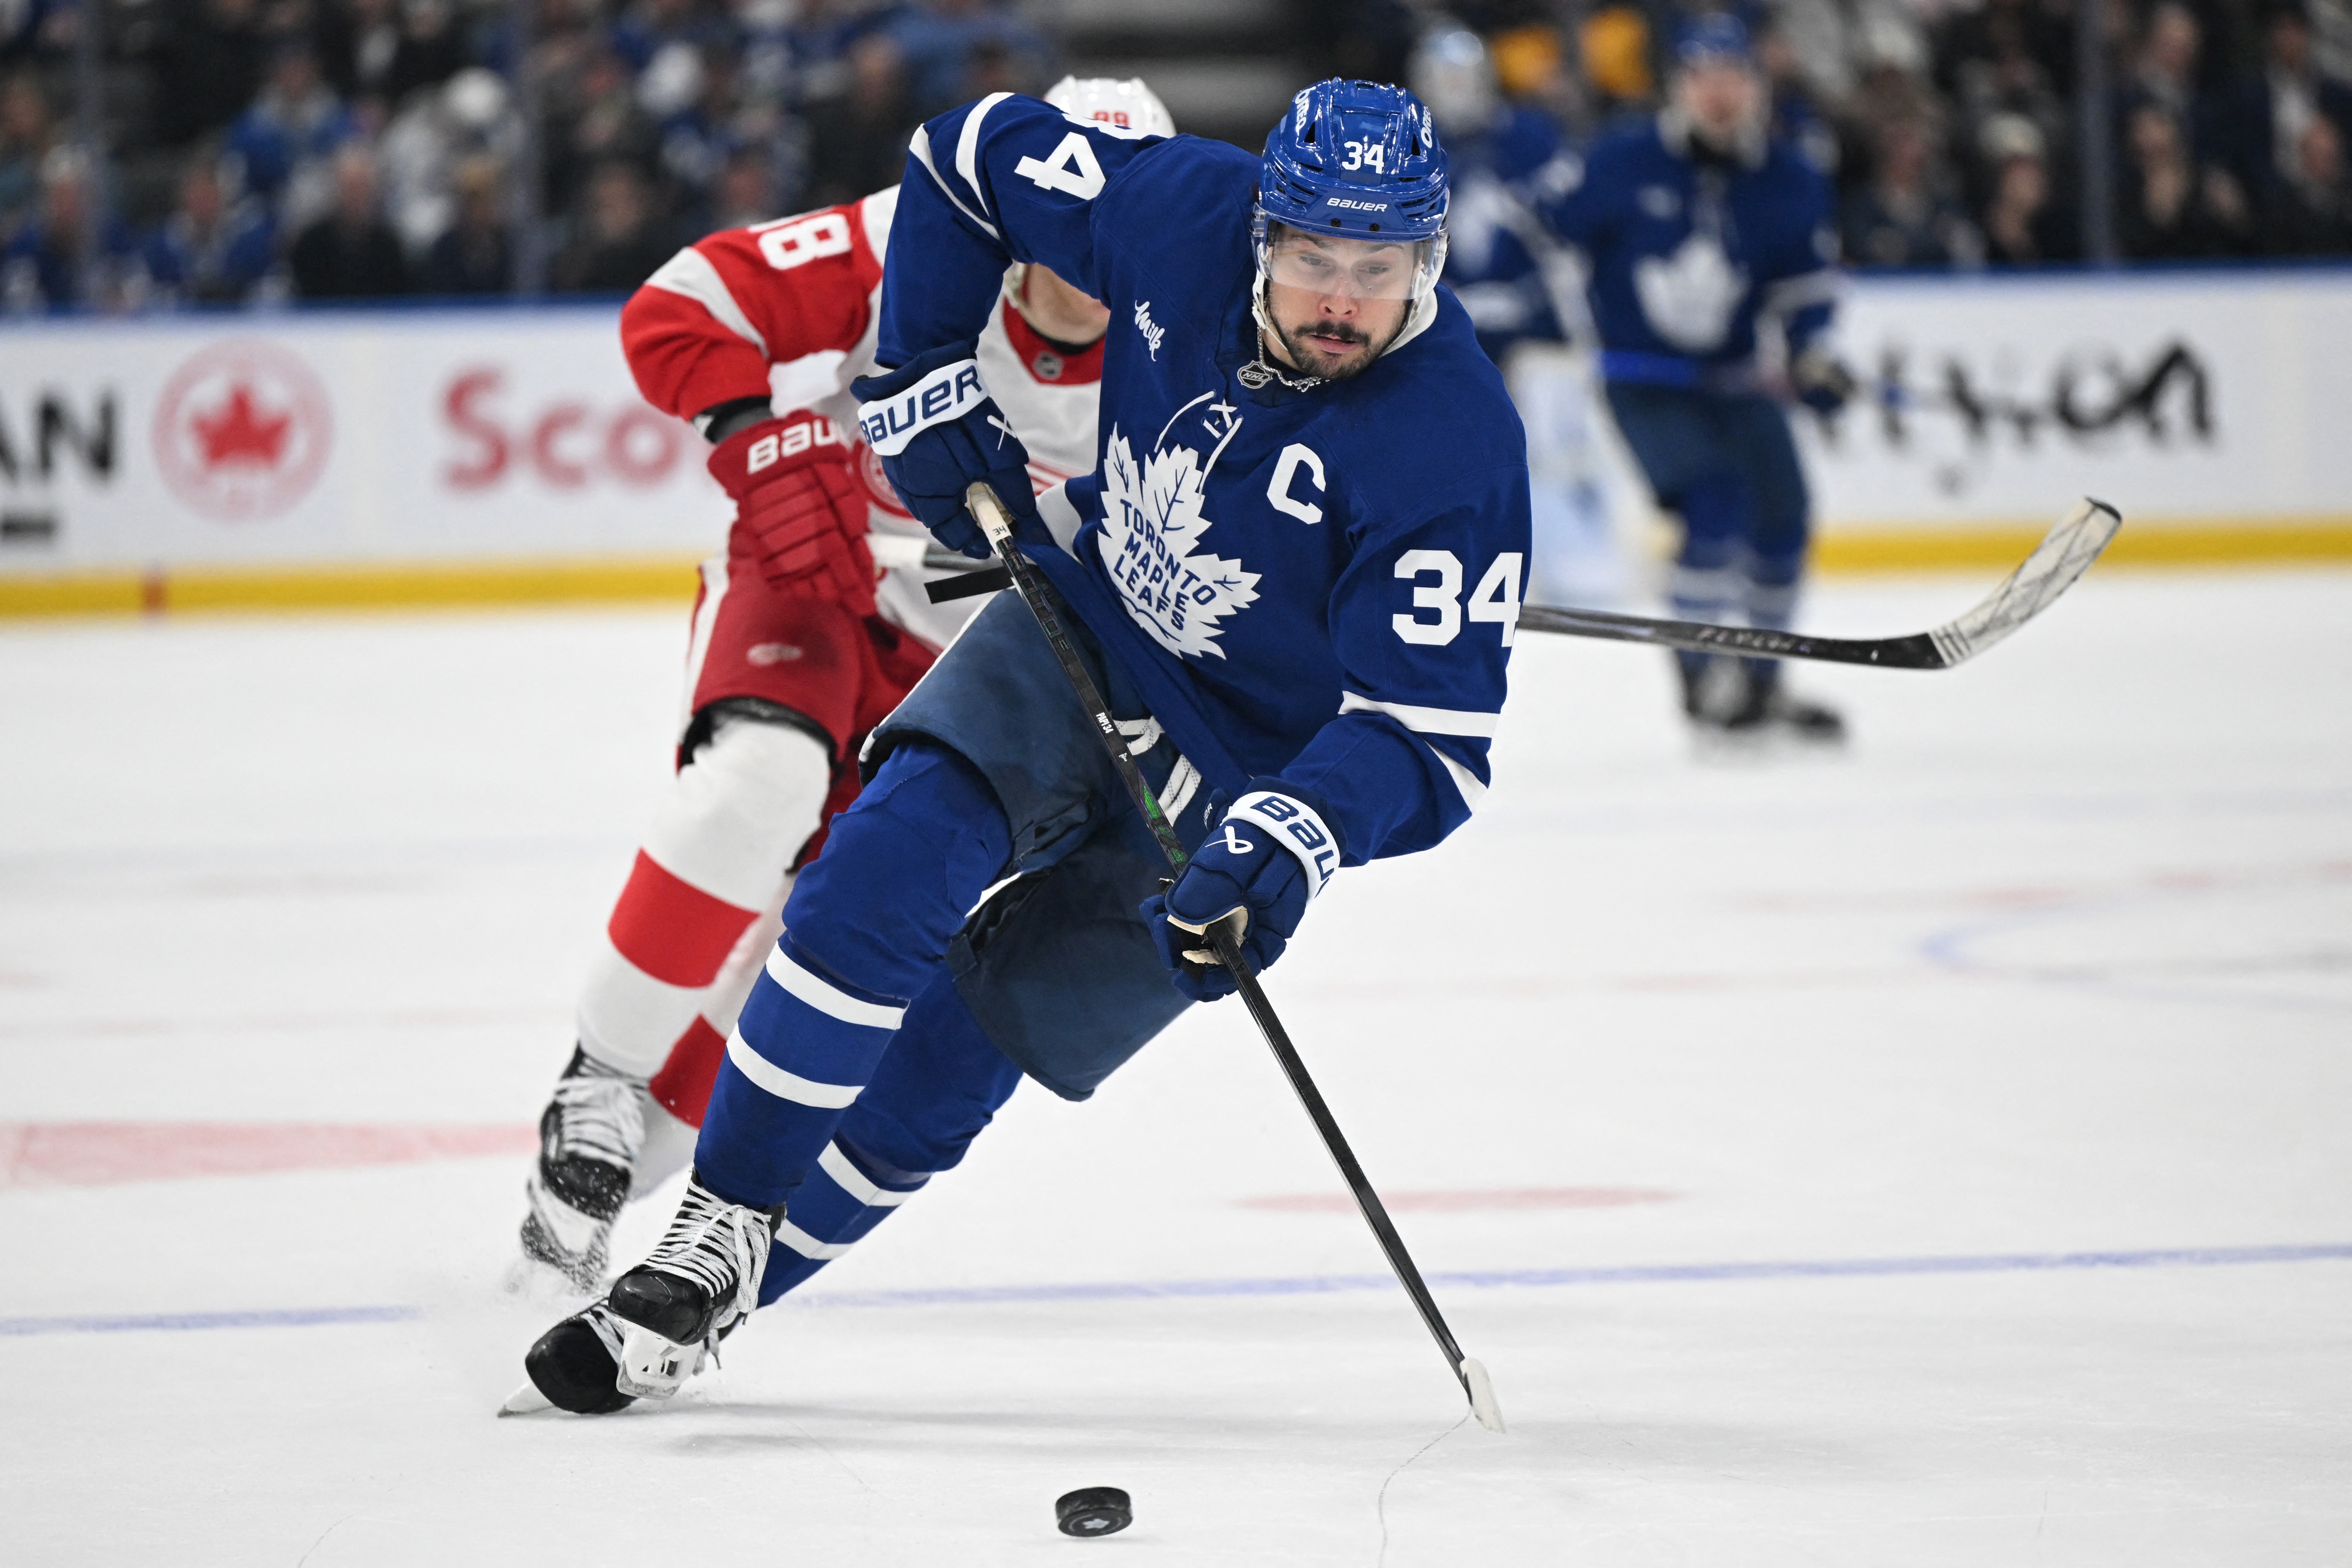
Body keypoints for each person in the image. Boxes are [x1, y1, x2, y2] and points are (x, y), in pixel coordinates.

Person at [518, 76, 1530, 1414]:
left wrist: (1296, 834)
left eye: (1377, 268)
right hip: (1088, 622)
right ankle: (716, 1223)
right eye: (1312, 261)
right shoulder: (1172, 206)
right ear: (1259, 239)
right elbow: (965, 154)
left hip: (1238, 777)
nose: (1340, 300)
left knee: (970, 1048)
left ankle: (710, 1303)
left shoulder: (1454, 443)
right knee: (880, 864)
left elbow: (1429, 744)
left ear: (1428, 259)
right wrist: (923, 370)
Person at [513, 78, 1182, 1412]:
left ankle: (630, 1164)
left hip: (973, 670)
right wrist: (755, 440)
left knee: (800, 961)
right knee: (753, 790)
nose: (1073, 247)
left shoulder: (1183, 352)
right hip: (816, 585)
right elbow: (683, 304)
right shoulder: (918, 231)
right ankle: (596, 1074)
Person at [1538, 14, 1851, 742]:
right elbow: (1552, 237)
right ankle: (1702, 681)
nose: (1719, 93)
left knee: (1785, 518)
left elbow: (1803, 291)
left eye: (1732, 76)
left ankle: (1764, 684)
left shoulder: (1788, 175)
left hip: (1735, 380)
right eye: (1703, 77)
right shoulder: (1620, 162)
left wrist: (1814, 354)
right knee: (1714, 503)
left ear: (1756, 84)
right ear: (1679, 87)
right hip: (1642, 379)